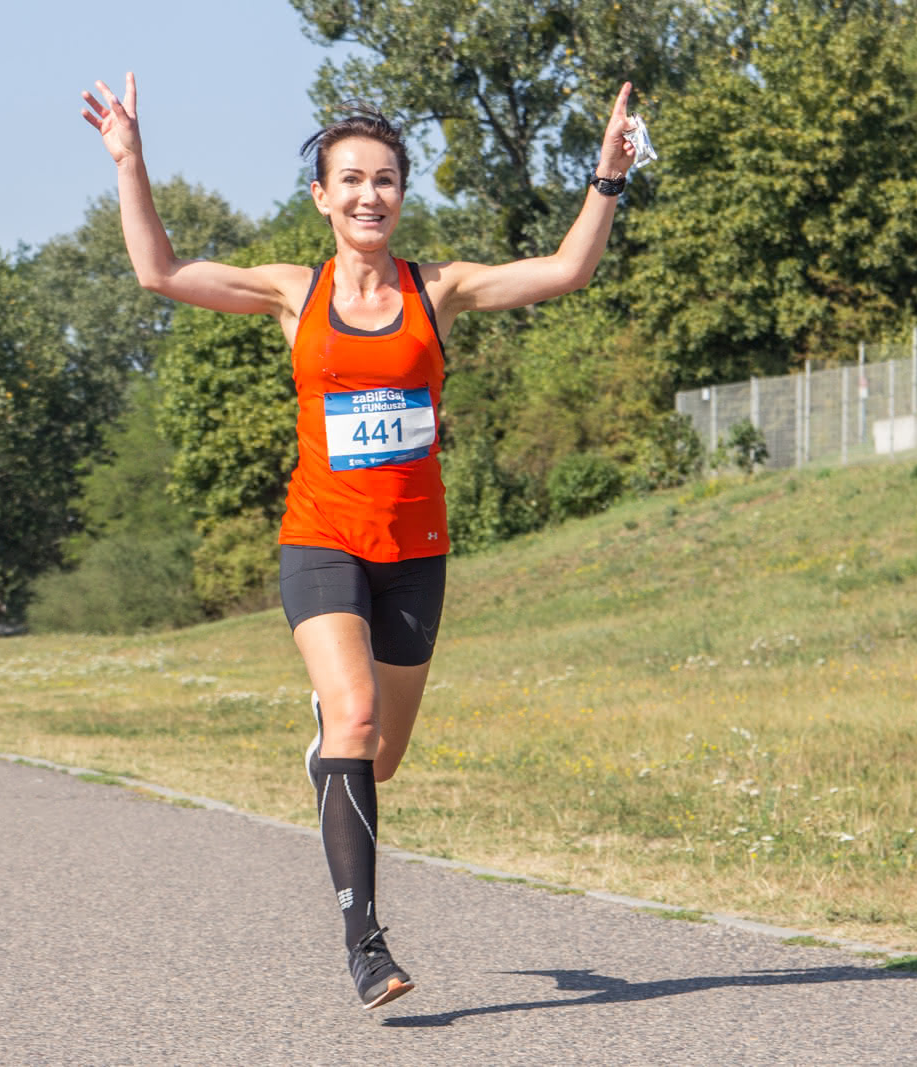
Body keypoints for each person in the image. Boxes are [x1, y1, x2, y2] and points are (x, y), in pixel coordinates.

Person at [80, 73, 641, 1008]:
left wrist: (608, 177)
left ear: (401, 193)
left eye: (384, 178)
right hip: (321, 540)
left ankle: (332, 749)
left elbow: (565, 271)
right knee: (355, 719)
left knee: (379, 755)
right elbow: (161, 273)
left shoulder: (441, 289)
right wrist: (132, 163)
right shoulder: (292, 293)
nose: (368, 194)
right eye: (350, 179)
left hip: (416, 549)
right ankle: (365, 944)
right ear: (322, 197)